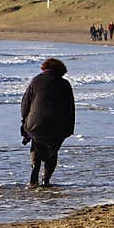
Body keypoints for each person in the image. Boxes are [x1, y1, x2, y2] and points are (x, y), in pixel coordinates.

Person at [20, 58, 75, 187]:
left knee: (36, 146)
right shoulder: (64, 84)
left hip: (35, 124)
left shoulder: (36, 81)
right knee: (52, 152)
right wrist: (69, 129)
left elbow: (25, 103)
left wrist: (24, 121)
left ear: (44, 69)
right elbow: (70, 108)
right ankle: (46, 179)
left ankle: (34, 170)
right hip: (57, 125)